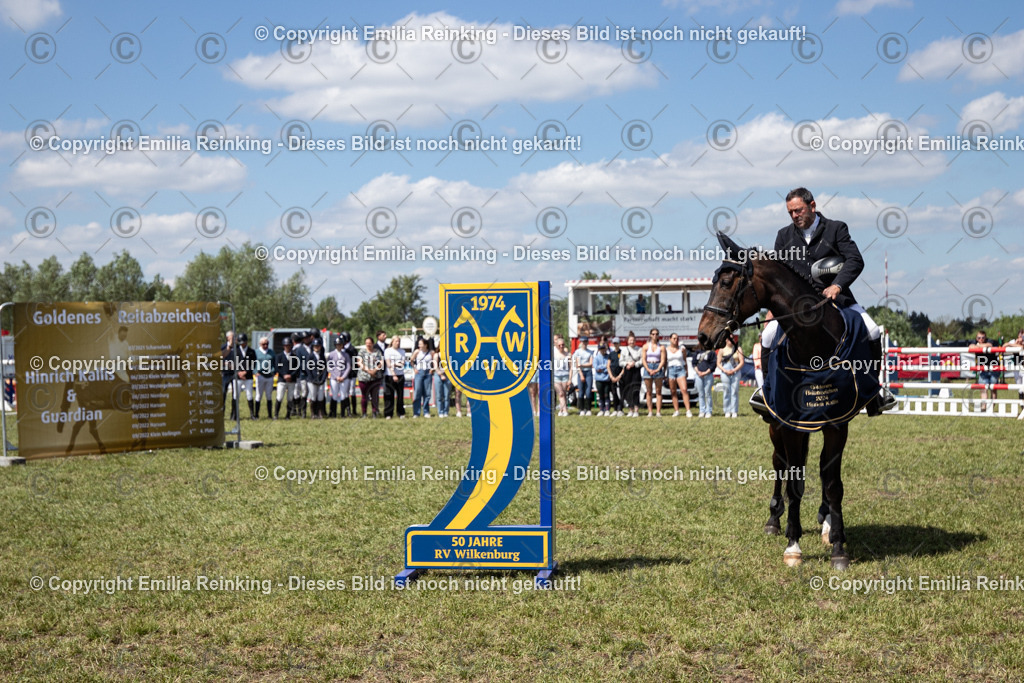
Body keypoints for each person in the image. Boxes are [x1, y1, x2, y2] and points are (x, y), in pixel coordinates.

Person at [758, 187, 894, 416]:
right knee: (769, 335)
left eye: (798, 210)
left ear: (812, 206)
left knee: (872, 330)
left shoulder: (836, 228)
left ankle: (873, 393)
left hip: (836, 298)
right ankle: (766, 392)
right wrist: (773, 308)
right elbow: (778, 276)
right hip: (795, 306)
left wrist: (837, 285)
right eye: (790, 212)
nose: (794, 216)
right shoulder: (784, 235)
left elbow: (855, 260)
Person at [665, 333, 693, 417]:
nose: (675, 340)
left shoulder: (682, 349)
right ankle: (676, 410)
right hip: (671, 370)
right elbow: (665, 362)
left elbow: (684, 360)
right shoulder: (666, 349)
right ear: (670, 339)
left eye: (677, 338)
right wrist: (664, 373)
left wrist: (686, 370)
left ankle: (688, 410)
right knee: (673, 391)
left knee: (684, 389)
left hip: (680, 369)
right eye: (674, 338)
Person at [231, 333, 258, 420]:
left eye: (243, 342)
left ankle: (252, 414)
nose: (242, 344)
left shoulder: (251, 351)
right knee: (236, 395)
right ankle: (234, 415)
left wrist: (245, 372)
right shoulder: (235, 351)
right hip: (238, 377)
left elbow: (253, 364)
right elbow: (233, 363)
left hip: (248, 376)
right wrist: (239, 372)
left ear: (246, 342)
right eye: (241, 343)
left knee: (249, 395)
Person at [357, 336, 384, 418]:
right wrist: (369, 371)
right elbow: (359, 363)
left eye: (370, 343)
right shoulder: (361, 352)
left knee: (374, 396)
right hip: (364, 378)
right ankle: (364, 413)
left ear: (372, 343)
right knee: (364, 396)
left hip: (376, 377)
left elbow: (381, 362)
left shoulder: (378, 352)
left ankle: (374, 412)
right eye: (367, 343)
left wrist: (374, 370)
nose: (368, 345)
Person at [718, 334, 744, 418]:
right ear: (725, 339)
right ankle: (727, 411)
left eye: (732, 338)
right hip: (725, 370)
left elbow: (742, 362)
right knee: (726, 391)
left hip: (735, 369)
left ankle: (734, 411)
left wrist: (734, 370)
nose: (730, 340)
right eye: (729, 338)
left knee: (734, 391)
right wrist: (725, 370)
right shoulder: (722, 350)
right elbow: (718, 363)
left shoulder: (738, 348)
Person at [642, 328, 666, 417]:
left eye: (656, 334)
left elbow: (663, 360)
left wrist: (657, 369)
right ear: (650, 335)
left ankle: (658, 411)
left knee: (658, 391)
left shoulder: (662, 347)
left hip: (657, 366)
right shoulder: (645, 346)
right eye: (653, 334)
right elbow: (643, 359)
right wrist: (648, 369)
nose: (654, 335)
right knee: (649, 391)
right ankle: (650, 411)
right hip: (648, 366)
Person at [275, 335, 300, 419]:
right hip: (282, 379)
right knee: (279, 397)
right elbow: (277, 367)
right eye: (286, 346)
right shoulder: (279, 356)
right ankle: (276, 414)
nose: (287, 347)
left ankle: (288, 415)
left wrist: (291, 375)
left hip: (292, 380)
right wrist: (284, 375)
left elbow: (297, 368)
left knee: (290, 398)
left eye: (289, 345)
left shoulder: (295, 356)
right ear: (283, 346)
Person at [327, 335, 352, 418]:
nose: (339, 346)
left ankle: (342, 413)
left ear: (342, 345)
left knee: (343, 395)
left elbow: (348, 366)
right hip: (334, 378)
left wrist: (343, 377)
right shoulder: (331, 354)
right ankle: (332, 412)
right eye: (337, 345)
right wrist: (336, 376)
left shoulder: (346, 355)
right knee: (334, 395)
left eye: (340, 344)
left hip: (344, 378)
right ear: (335, 345)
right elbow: (330, 367)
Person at [383, 335, 407, 419]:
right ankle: (388, 413)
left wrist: (395, 364)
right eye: (396, 341)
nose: (397, 343)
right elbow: (388, 364)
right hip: (390, 375)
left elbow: (402, 363)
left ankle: (400, 413)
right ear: (392, 342)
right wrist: (393, 374)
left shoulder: (402, 351)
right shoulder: (387, 351)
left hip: (400, 374)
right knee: (389, 395)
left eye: (399, 341)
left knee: (400, 395)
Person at [621, 332, 643, 417]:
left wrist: (635, 364)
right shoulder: (624, 350)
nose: (631, 342)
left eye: (633, 340)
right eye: (630, 340)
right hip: (627, 372)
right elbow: (620, 362)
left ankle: (636, 410)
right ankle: (630, 409)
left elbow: (642, 361)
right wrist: (627, 364)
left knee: (636, 390)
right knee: (628, 391)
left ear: (635, 341)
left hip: (636, 371)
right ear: (627, 341)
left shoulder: (639, 349)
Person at [975, 330, 999, 411]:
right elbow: (971, 347)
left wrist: (979, 346)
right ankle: (984, 407)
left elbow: (989, 345)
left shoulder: (989, 341)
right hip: (983, 370)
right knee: (983, 388)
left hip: (994, 368)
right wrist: (979, 346)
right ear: (976, 338)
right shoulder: (974, 342)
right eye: (979, 338)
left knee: (993, 388)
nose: (981, 339)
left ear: (985, 337)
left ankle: (991, 407)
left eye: (983, 337)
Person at [306, 337, 328, 419]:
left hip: (321, 379)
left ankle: (320, 413)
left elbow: (325, 368)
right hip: (312, 380)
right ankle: (313, 413)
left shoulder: (322, 356)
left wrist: (323, 379)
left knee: (320, 397)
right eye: (315, 346)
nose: (317, 347)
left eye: (318, 346)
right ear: (313, 347)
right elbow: (308, 369)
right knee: (313, 396)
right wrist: (313, 379)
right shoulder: (310, 356)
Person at [411, 337, 434, 418]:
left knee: (427, 393)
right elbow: (411, 360)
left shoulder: (431, 352)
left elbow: (435, 361)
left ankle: (426, 412)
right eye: (419, 344)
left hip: (428, 373)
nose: (419, 345)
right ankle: (416, 413)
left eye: (421, 344)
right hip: (419, 372)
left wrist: (432, 369)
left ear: (426, 345)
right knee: (417, 393)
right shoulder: (417, 352)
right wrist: (414, 368)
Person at [254, 336, 276, 419]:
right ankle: (256, 414)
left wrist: (274, 371)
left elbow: (275, 362)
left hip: (269, 376)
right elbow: (253, 363)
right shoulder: (256, 352)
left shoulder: (271, 352)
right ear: (260, 344)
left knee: (269, 395)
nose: (265, 345)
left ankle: (270, 415)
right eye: (264, 344)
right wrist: (255, 372)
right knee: (258, 395)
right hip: (260, 376)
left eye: (267, 344)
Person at [693, 344, 717, 418]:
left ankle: (709, 411)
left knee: (708, 393)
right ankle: (702, 411)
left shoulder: (712, 353)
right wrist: (698, 372)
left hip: (708, 375)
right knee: (701, 394)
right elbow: (694, 363)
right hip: (698, 375)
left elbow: (713, 364)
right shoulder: (697, 352)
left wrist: (705, 372)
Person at [572, 335, 594, 415]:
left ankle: (588, 409)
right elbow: (577, 364)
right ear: (581, 343)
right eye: (583, 342)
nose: (584, 343)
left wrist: (582, 364)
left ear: (587, 342)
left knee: (588, 391)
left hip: (588, 372)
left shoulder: (590, 352)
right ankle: (581, 409)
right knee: (581, 392)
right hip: (580, 372)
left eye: (585, 342)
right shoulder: (578, 352)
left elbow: (591, 363)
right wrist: (581, 374)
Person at [553, 335, 571, 416]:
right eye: (559, 345)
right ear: (557, 345)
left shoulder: (568, 355)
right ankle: (565, 410)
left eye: (562, 345)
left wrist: (570, 379)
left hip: (565, 376)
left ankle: (561, 410)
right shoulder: (554, 354)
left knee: (564, 393)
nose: (561, 346)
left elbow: (571, 368)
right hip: (556, 376)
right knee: (560, 393)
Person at [593, 341, 612, 415]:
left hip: (606, 379)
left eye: (603, 349)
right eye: (601, 349)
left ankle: (607, 409)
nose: (602, 350)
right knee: (601, 395)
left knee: (607, 394)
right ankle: (601, 409)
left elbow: (609, 367)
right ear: (598, 350)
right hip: (599, 379)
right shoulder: (596, 358)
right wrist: (604, 367)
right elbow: (596, 367)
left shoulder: (608, 357)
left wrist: (604, 368)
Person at [608, 337, 625, 416]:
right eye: (614, 343)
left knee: (621, 393)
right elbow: (608, 366)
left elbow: (624, 366)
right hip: (613, 376)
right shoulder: (611, 354)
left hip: (621, 376)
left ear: (619, 343)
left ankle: (620, 409)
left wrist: (619, 376)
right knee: (614, 393)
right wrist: (611, 376)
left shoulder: (622, 353)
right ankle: (615, 409)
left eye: (617, 343)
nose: (615, 345)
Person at [433, 350, 452, 418]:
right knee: (439, 395)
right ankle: (440, 412)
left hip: (448, 375)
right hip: (438, 375)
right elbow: (435, 366)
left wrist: (445, 372)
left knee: (446, 395)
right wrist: (441, 374)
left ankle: (446, 412)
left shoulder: (449, 354)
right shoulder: (436, 355)